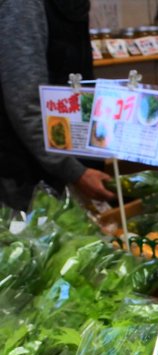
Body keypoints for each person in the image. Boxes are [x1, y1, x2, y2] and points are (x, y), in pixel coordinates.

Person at [0, 0, 115, 211]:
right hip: (27, 173)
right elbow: (25, 104)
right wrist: (74, 171)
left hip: (72, 161)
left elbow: (78, 80)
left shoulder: (73, 7)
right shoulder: (23, 6)